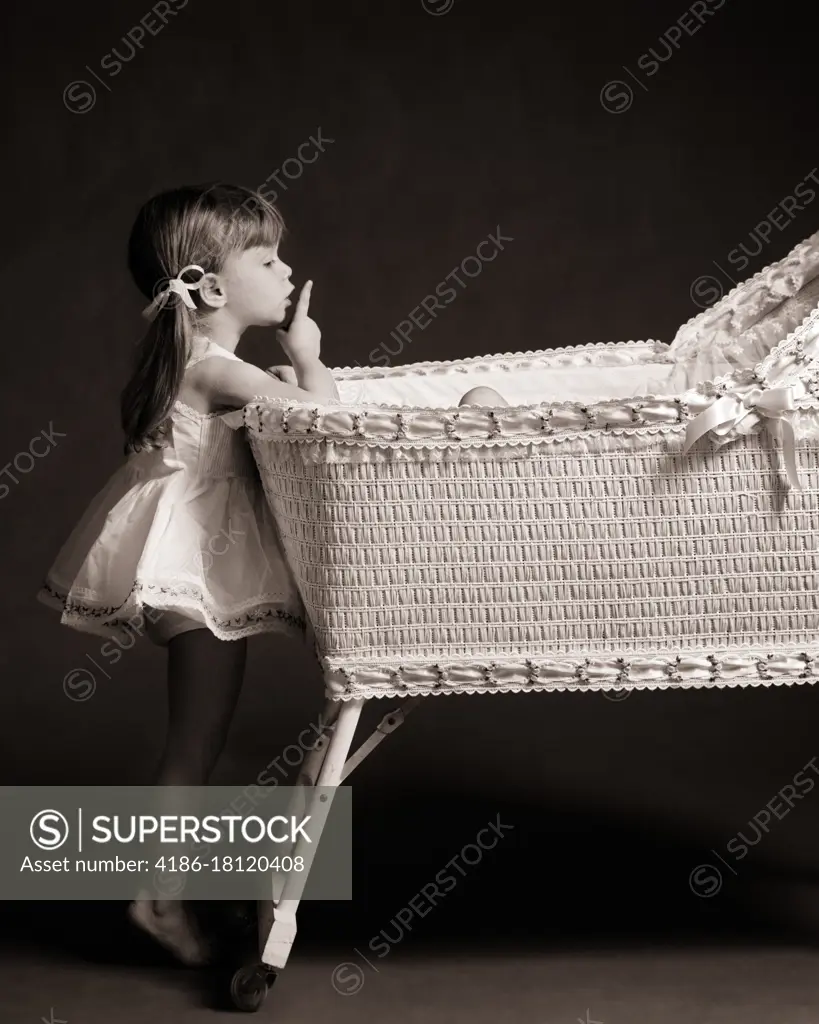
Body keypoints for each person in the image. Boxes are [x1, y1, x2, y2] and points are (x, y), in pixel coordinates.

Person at [37, 182, 339, 965]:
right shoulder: (220, 372)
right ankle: (156, 897)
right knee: (195, 740)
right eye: (267, 258)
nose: (286, 270)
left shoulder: (201, 364)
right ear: (207, 286)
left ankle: (164, 891)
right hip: (195, 571)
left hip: (186, 561)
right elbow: (332, 429)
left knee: (198, 740)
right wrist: (306, 357)